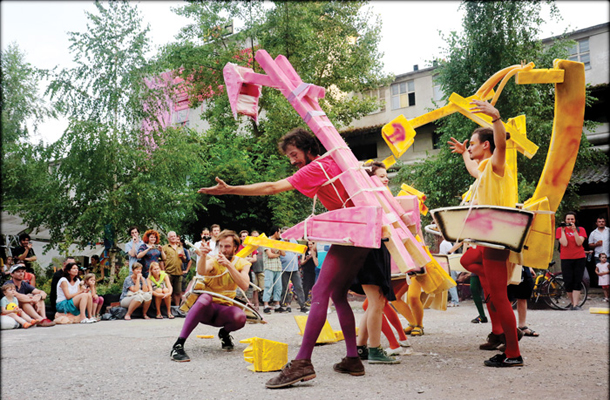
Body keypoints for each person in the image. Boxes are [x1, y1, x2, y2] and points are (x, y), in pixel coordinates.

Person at [199, 127, 385, 387]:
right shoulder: (334, 162)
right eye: (289, 157)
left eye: (294, 154)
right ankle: (353, 358)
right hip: (363, 230)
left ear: (309, 149)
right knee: (337, 294)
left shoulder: (317, 167)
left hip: (351, 231)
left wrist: (229, 189)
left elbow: (272, 187)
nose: (293, 161)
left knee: (319, 292)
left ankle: (302, 362)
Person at [449, 99, 523, 367]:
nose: (469, 146)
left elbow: (502, 144)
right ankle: (507, 340)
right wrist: (464, 154)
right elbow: (471, 168)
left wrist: (496, 118)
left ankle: (513, 352)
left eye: (472, 143)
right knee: (469, 261)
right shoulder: (483, 170)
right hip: (489, 237)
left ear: (486, 145)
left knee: (500, 296)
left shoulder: (497, 164)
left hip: (498, 236)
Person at [170, 230, 251, 362]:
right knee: (205, 297)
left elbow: (244, 285)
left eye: (228, 246)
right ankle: (179, 344)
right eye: (221, 246)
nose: (224, 250)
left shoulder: (243, 263)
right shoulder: (213, 260)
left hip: (224, 310)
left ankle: (224, 334)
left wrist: (229, 265)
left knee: (240, 317)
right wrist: (202, 255)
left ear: (235, 247)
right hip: (206, 310)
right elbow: (202, 270)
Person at [353, 161, 400, 364]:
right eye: (381, 176)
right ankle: (374, 349)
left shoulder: (379, 197)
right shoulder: (367, 197)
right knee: (376, 302)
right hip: (369, 251)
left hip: (378, 248)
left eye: (386, 175)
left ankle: (362, 346)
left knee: (377, 301)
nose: (386, 178)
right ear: (370, 179)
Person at [556, 211, 587, 310]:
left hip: (579, 258)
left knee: (577, 280)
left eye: (572, 219)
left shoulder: (580, 229)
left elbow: (579, 243)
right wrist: (563, 230)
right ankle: (572, 302)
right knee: (568, 281)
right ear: (565, 220)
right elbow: (564, 244)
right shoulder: (560, 230)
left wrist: (574, 231)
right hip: (566, 258)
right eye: (568, 219)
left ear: (575, 220)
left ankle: (575, 304)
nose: (570, 221)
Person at [279, 231, 309, 314]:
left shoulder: (293, 241)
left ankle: (302, 305)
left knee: (299, 286)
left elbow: (299, 251)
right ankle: (286, 305)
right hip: (284, 268)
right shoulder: (280, 242)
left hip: (294, 268)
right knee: (285, 288)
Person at [506, 266, 539, 339]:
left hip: (523, 267)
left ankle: (522, 326)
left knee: (523, 296)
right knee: (509, 299)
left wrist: (529, 266)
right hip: (509, 266)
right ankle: (506, 328)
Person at [261, 226, 286, 314]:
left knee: (278, 286)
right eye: (279, 232)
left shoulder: (279, 242)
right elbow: (270, 255)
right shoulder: (266, 241)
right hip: (269, 267)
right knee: (268, 285)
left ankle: (277, 304)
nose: (280, 234)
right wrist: (277, 254)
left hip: (278, 267)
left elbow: (283, 253)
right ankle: (266, 304)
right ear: (275, 232)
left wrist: (278, 251)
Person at [161, 231, 186, 306]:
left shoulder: (180, 247)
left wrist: (182, 256)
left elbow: (184, 259)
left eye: (174, 236)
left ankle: (177, 307)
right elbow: (161, 260)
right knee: (168, 291)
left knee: (178, 292)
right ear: (168, 238)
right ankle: (167, 308)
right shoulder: (165, 247)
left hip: (178, 272)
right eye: (171, 236)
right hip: (168, 272)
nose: (173, 238)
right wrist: (163, 271)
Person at [440, 239, 460, 307]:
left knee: (451, 284)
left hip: (449, 265)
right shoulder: (447, 243)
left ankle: (455, 301)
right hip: (450, 265)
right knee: (451, 284)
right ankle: (454, 300)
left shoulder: (444, 243)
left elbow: (445, 255)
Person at [248, 230, 265, 310]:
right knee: (255, 289)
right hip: (253, 269)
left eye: (257, 236)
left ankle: (265, 303)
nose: (256, 238)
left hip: (262, 269)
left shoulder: (262, 246)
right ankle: (256, 304)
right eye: (254, 237)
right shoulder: (250, 247)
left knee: (263, 287)